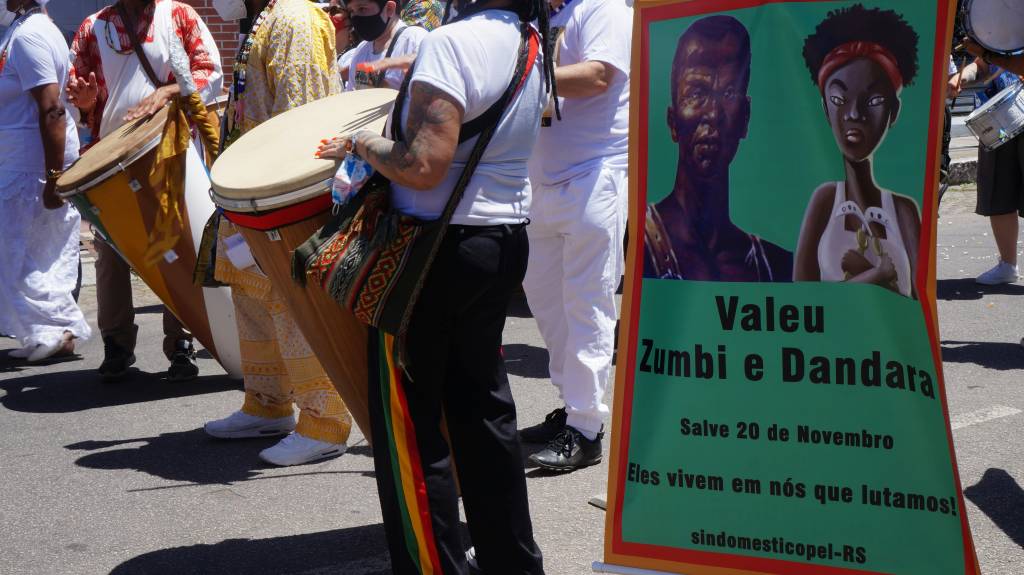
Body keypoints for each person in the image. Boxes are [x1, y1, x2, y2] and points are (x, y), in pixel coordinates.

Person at [316, 0, 550, 570]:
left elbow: (423, 165)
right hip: (501, 241)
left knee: (410, 429)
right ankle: (513, 564)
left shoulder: (449, 44)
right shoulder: (531, 41)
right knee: (484, 413)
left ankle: (432, 564)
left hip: (431, 255)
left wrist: (359, 143)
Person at [204, 0, 354, 467]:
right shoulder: (271, 16)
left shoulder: (293, 19)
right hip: (256, 190)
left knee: (294, 307)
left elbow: (302, 121)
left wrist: (285, 199)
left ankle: (324, 422)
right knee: (255, 300)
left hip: (279, 196)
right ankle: (268, 404)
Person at [67, 0, 223, 381]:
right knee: (111, 255)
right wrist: (84, 104)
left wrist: (169, 92)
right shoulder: (92, 27)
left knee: (177, 246)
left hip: (172, 148)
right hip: (109, 156)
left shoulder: (180, 15)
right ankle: (117, 344)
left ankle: (181, 343)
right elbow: (75, 92)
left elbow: (210, 73)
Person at [518, 0, 632, 472]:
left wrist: (515, 78)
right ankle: (571, 406)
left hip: (595, 174)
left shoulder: (602, 7)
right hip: (543, 180)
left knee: (587, 302)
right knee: (544, 299)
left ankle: (586, 429)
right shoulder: (547, 17)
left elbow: (599, 76)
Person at [644, 15, 792, 281]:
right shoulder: (638, 243)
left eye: (728, 94)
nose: (713, 113)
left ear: (745, 118)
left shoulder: (774, 266)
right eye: (696, 93)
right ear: (672, 121)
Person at [794, 4, 922, 299]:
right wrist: (876, 275)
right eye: (839, 98)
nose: (854, 114)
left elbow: (917, 307)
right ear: (826, 109)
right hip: (827, 346)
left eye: (874, 100)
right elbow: (801, 303)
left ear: (894, 112)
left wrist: (870, 274)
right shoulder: (825, 200)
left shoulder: (903, 211)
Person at [0, 0, 92, 362]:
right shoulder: (22, 31)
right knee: (32, 255)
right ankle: (47, 332)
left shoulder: (31, 36)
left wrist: (54, 178)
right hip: (22, 165)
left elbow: (53, 108)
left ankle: (61, 326)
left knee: (20, 255)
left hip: (31, 168)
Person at [950, 38, 1024, 285]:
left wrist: (986, 54)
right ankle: (1007, 265)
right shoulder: (998, 28)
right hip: (997, 121)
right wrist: (961, 77)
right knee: (998, 193)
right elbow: (981, 67)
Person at [342, 0, 426, 91]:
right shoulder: (361, 50)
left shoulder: (414, 39)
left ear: (389, 9)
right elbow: (361, 98)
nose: (356, 17)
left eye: (362, 9)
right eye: (351, 11)